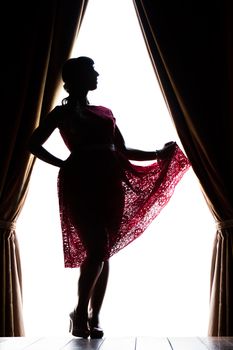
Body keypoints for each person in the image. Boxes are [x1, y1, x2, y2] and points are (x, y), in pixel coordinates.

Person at [28, 56, 190, 339]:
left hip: (110, 184)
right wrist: (63, 164)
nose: (97, 74)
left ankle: (94, 315)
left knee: (102, 250)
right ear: (78, 77)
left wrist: (157, 154)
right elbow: (33, 144)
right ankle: (80, 312)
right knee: (98, 249)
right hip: (80, 183)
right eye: (92, 71)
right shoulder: (61, 114)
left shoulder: (106, 112)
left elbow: (123, 150)